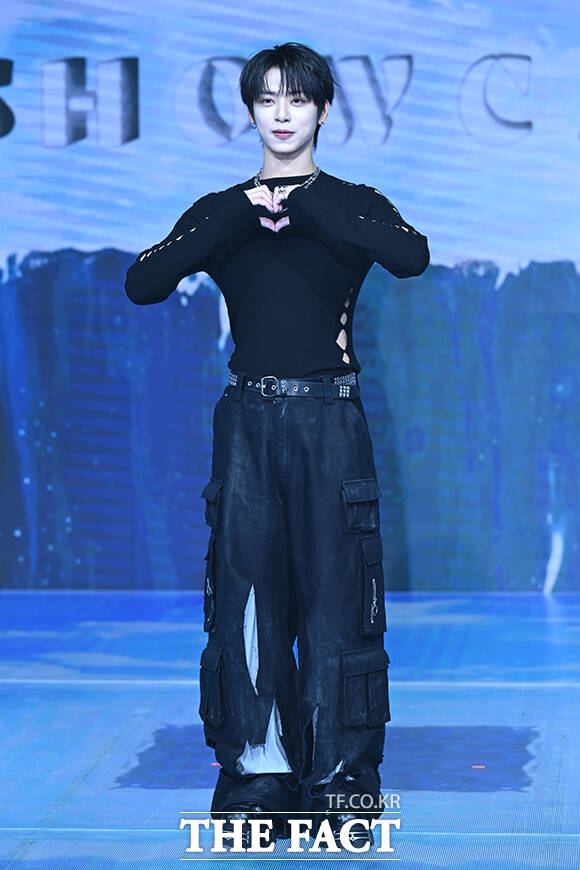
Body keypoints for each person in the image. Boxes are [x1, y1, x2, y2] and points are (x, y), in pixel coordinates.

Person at [125, 41, 429, 851]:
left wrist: (309, 206)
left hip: (330, 420)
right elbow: (143, 282)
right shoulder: (221, 210)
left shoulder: (354, 202)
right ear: (251, 111)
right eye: (266, 99)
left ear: (323, 109)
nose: (282, 113)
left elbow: (412, 256)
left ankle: (342, 777)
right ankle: (258, 773)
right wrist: (237, 215)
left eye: (297, 98)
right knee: (249, 599)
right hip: (249, 421)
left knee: (337, 596)